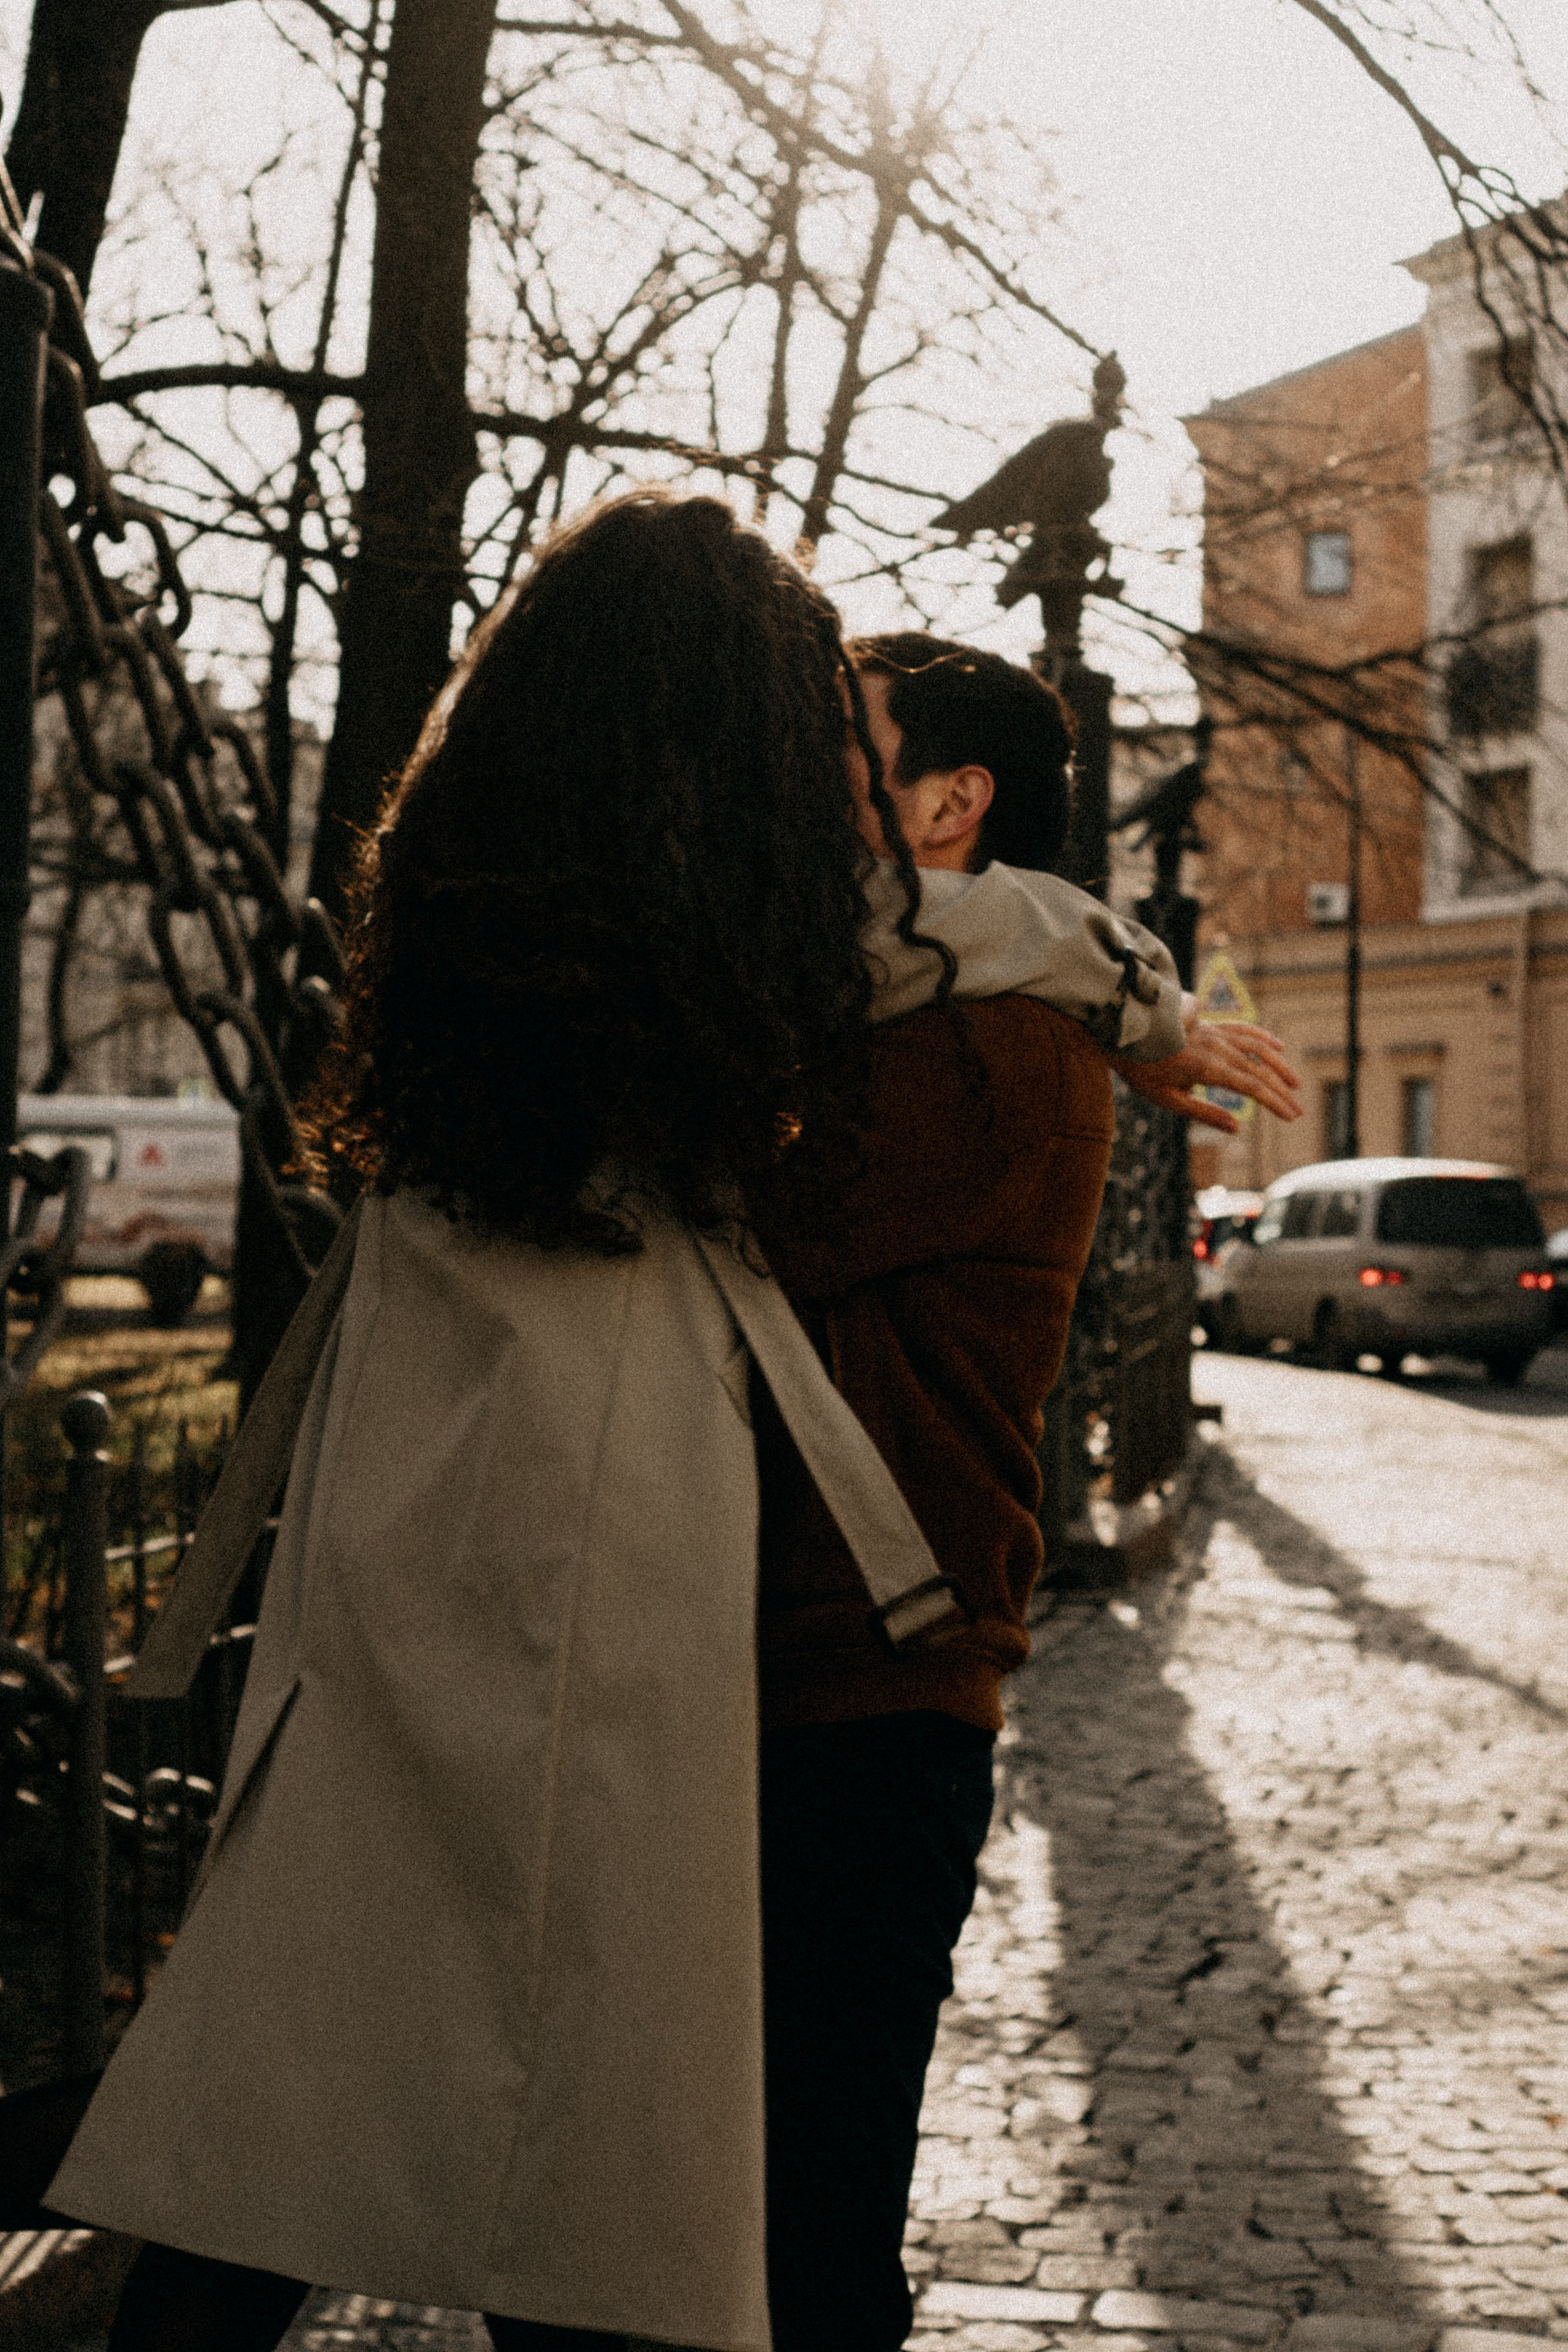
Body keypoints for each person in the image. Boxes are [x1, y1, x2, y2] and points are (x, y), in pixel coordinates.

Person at [32, 527, 1295, 2352]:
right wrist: (1111, 966)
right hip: (685, 1688)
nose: (811, 775)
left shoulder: (838, 1036)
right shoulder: (703, 1046)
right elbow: (818, 996)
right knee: (626, 2239)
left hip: (818, 1692)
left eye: (845, 740)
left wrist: (1103, 972)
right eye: (797, 731)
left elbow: (846, 984)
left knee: (689, 2238)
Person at [745, 628, 1298, 2350]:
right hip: (821, 1658)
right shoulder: (956, 1002)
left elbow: (733, 1221)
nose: (795, 781)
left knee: (804, 2221)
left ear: (948, 803)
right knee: (757, 2204)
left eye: (843, 746)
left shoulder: (983, 1052)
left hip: (862, 1676)